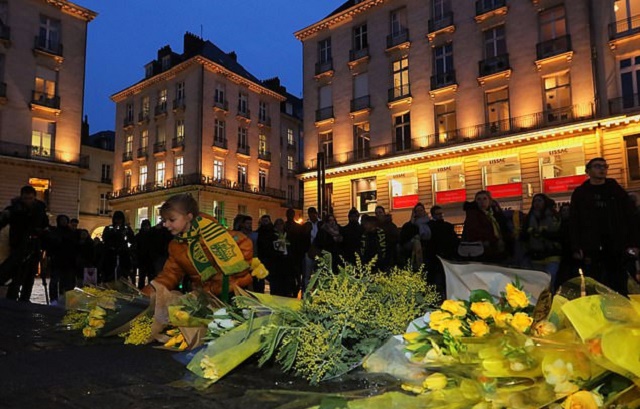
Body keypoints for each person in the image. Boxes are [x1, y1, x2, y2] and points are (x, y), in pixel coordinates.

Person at [143, 194, 265, 299]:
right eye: (164, 220)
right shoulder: (176, 246)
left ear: (188, 217)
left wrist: (228, 277)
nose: (166, 224)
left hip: (236, 294)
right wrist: (143, 295)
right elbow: (169, 276)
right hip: (207, 297)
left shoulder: (216, 234)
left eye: (172, 220)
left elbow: (245, 246)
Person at [570, 157, 638, 295]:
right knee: (595, 286)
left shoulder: (615, 190)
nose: (602, 169)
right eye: (597, 166)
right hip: (591, 247)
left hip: (617, 246)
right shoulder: (581, 193)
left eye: (605, 166)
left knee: (619, 285)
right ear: (588, 171)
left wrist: (634, 243)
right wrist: (576, 246)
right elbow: (574, 221)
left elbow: (631, 218)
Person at [0, 185, 49, 302]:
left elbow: (45, 226)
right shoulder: (14, 209)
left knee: (30, 277)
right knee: (15, 275)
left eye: (30, 198)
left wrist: (42, 233)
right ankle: (11, 300)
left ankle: (25, 300)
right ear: (21, 197)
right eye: (25, 198)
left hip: (34, 246)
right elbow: (3, 221)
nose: (27, 201)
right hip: (18, 246)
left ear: (34, 198)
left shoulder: (40, 210)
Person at [520, 194, 562, 292]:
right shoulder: (529, 218)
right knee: (540, 284)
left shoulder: (553, 216)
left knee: (549, 280)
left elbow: (559, 233)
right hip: (536, 256)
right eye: (535, 201)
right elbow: (524, 236)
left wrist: (544, 233)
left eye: (539, 201)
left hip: (552, 254)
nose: (537, 204)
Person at [461, 190, 511, 263]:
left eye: (485, 199)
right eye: (478, 199)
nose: (482, 201)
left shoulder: (493, 213)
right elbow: (474, 232)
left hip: (496, 249)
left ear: (490, 200)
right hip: (482, 250)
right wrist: (494, 240)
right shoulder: (473, 214)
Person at [426, 205, 459, 298]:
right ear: (433, 215)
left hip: (445, 255)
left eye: (441, 213)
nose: (441, 215)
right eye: (438, 214)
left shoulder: (446, 226)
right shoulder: (431, 227)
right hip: (436, 257)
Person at [45, 214, 77, 303]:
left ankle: (64, 299)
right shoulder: (55, 232)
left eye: (65, 220)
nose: (63, 222)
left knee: (66, 282)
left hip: (68, 261)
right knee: (54, 281)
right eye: (62, 220)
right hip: (57, 260)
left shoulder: (71, 233)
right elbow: (50, 244)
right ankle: (54, 299)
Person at [101, 211, 134, 283]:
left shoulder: (127, 228)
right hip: (111, 255)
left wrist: (126, 234)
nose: (118, 221)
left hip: (123, 254)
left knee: (123, 275)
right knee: (110, 275)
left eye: (120, 219)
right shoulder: (109, 228)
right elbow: (105, 239)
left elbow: (132, 240)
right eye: (117, 219)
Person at [268, 218, 296, 297]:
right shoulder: (272, 235)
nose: (280, 226)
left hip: (287, 261)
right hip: (277, 262)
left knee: (287, 282)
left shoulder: (288, 235)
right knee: (277, 283)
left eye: (281, 224)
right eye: (278, 224)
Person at [399, 203, 432, 271]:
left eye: (421, 210)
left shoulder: (430, 223)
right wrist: (411, 222)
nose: (420, 213)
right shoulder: (409, 225)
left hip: (428, 252)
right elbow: (403, 239)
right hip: (413, 254)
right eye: (417, 211)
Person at [301, 207, 322, 292]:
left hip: (319, 251)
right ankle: (306, 291)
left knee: (319, 273)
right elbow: (303, 237)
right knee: (307, 274)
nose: (311, 216)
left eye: (313, 214)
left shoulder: (321, 223)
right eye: (310, 214)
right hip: (309, 251)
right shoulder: (306, 225)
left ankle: (318, 291)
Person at [284, 208, 304, 295]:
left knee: (297, 275)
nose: (290, 216)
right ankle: (291, 290)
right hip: (287, 254)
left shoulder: (298, 227)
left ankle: (296, 290)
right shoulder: (284, 226)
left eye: (291, 214)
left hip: (296, 254)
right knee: (290, 275)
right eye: (289, 214)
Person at [134, 219, 155, 289]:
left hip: (148, 260)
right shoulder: (150, 236)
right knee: (143, 278)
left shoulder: (140, 236)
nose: (146, 227)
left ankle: (146, 291)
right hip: (144, 260)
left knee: (146, 278)